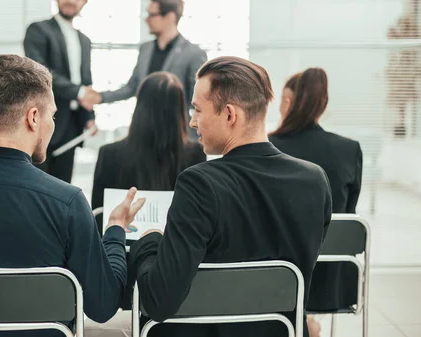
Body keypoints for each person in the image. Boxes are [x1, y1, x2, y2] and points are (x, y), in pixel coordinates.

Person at [0, 54, 145, 337]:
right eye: (53, 116)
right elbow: (103, 306)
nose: (52, 125)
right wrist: (115, 230)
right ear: (33, 117)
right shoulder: (67, 201)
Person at [129, 56, 332, 337]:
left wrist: (149, 242)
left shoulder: (199, 183)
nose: (192, 121)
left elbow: (160, 302)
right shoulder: (315, 180)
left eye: (198, 110)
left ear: (229, 114)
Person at [269, 68, 363, 337]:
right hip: (331, 284)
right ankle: (307, 324)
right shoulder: (349, 150)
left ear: (287, 104)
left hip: (275, 280)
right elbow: (348, 214)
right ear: (322, 106)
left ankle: (301, 323)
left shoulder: (268, 148)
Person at [92, 72, 205, 234]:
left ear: (140, 106)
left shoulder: (109, 154)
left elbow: (98, 216)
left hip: (121, 250)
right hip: (177, 250)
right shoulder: (196, 155)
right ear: (180, 109)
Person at [96, 0, 207, 140]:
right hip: (143, 131)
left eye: (152, 14)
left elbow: (197, 97)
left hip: (176, 134)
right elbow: (133, 87)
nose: (146, 19)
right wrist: (100, 97)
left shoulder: (194, 53)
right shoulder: (145, 49)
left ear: (170, 17)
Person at [23, 0, 97, 183]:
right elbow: (40, 72)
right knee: (38, 183)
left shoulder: (85, 41)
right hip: (43, 119)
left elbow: (85, 80)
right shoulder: (38, 30)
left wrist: (89, 116)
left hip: (72, 124)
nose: (71, 1)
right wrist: (79, 93)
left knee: (63, 183)